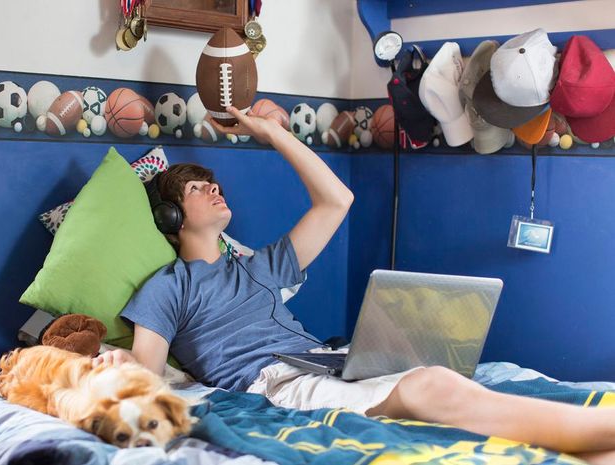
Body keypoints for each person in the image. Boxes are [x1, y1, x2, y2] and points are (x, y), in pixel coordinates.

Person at [94, 106, 615, 463]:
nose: (212, 188)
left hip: (324, 360)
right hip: (272, 385)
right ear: (170, 214)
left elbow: (336, 200)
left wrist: (273, 133)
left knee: (433, 375)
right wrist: (116, 365)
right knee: (431, 385)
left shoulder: (260, 267)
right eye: (195, 188)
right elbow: (149, 371)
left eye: (215, 183)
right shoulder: (170, 285)